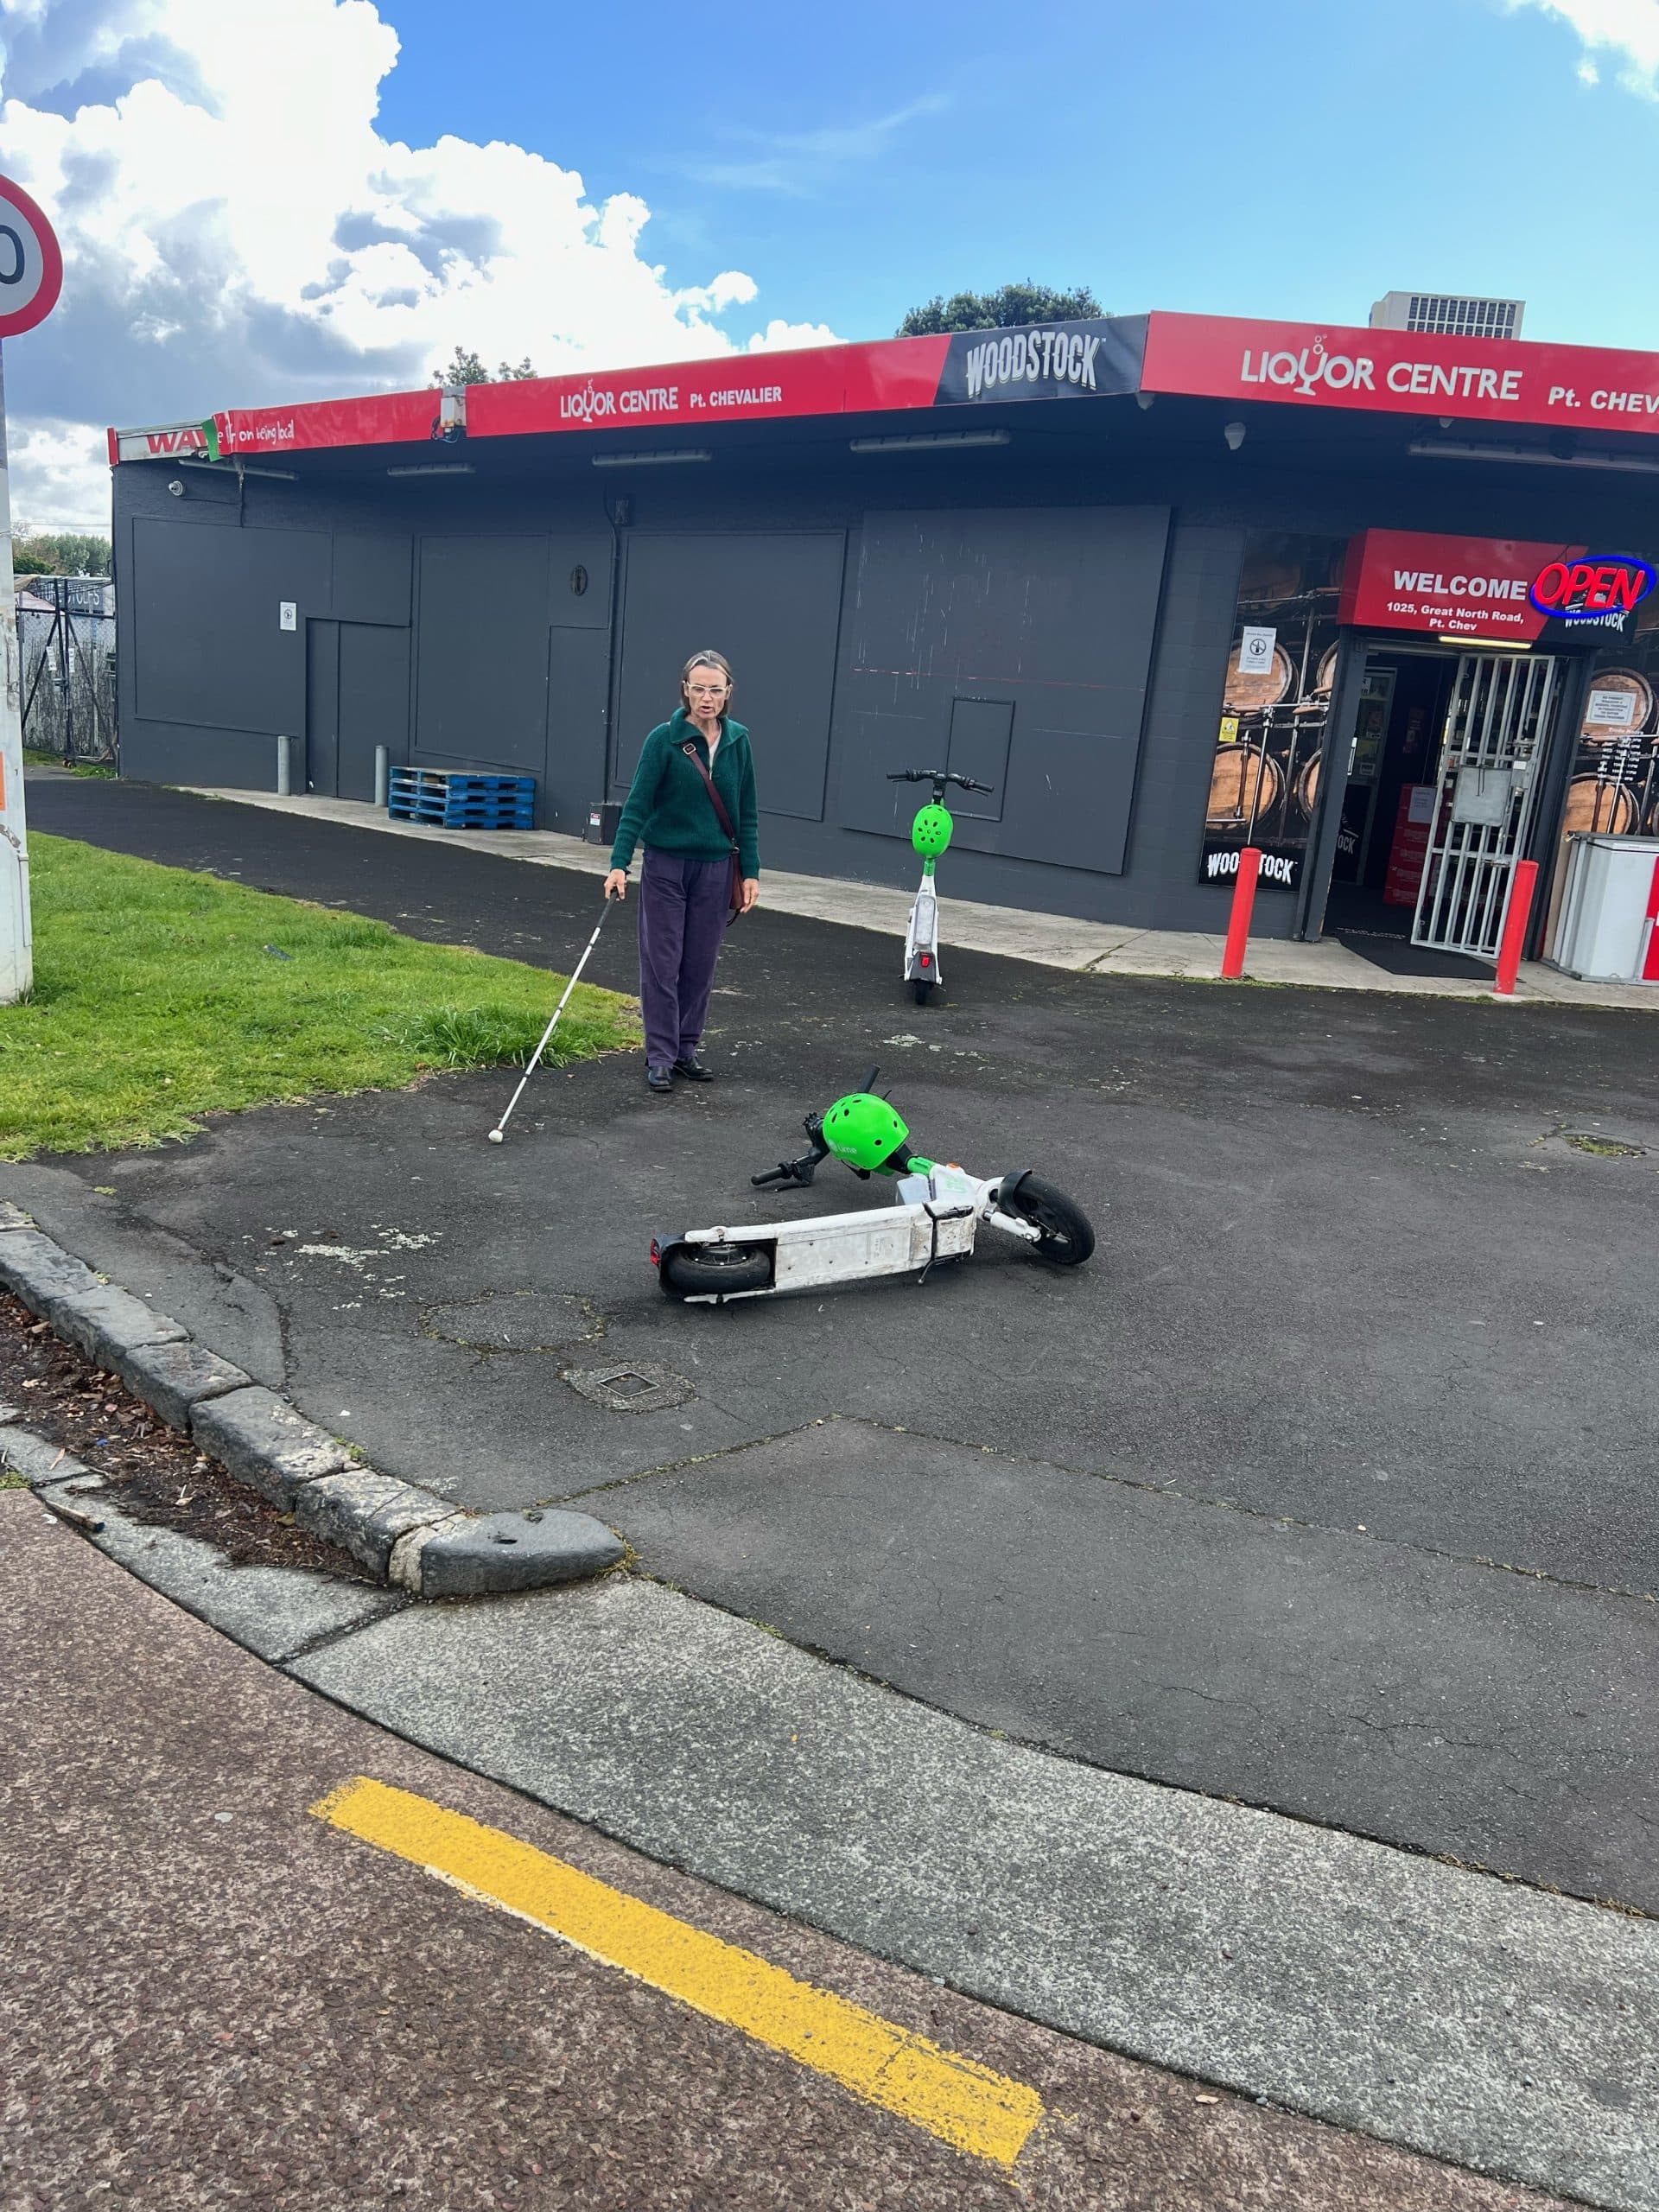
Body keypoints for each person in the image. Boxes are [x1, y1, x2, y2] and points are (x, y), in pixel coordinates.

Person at [604, 650, 760, 1093]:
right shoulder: (663, 740)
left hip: (715, 868)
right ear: (685, 690)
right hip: (666, 865)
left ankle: (685, 1050)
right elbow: (637, 805)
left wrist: (750, 871)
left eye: (715, 689)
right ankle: (659, 1055)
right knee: (662, 962)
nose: (706, 697)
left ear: (728, 692)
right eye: (698, 688)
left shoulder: (738, 741)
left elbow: (746, 812)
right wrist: (619, 863)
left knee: (699, 964)